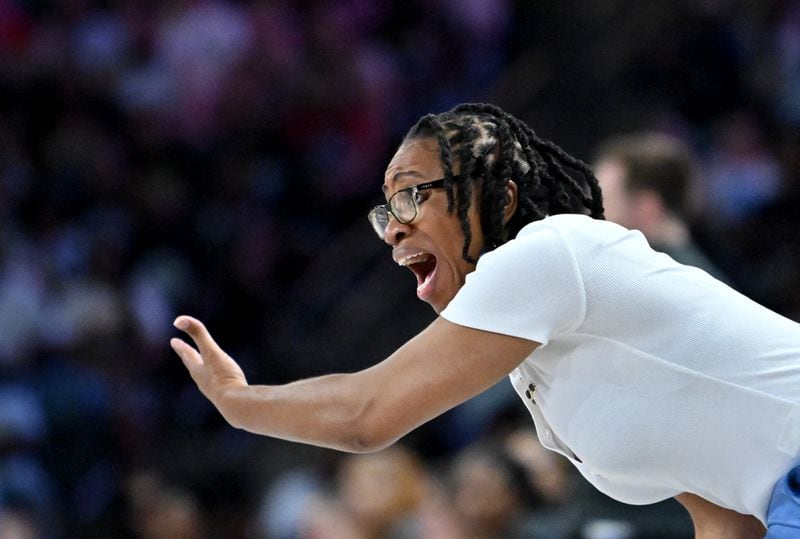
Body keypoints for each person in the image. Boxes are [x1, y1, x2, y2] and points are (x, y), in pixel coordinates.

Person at [170, 103, 800, 538]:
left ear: (499, 199)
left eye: (412, 195)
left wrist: (238, 401)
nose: (393, 229)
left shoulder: (547, 252)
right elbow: (726, 518)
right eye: (383, 211)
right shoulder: (542, 374)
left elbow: (365, 416)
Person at [592, 131, 727, 281]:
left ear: (647, 207)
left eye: (603, 199)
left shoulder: (665, 283)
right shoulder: (697, 277)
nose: (586, 212)